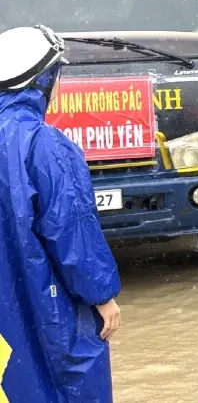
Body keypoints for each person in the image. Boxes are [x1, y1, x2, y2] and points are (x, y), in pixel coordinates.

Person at [0, 26, 123, 402]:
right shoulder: (44, 144)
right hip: (41, 301)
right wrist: (102, 296)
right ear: (46, 79)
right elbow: (71, 231)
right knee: (67, 380)